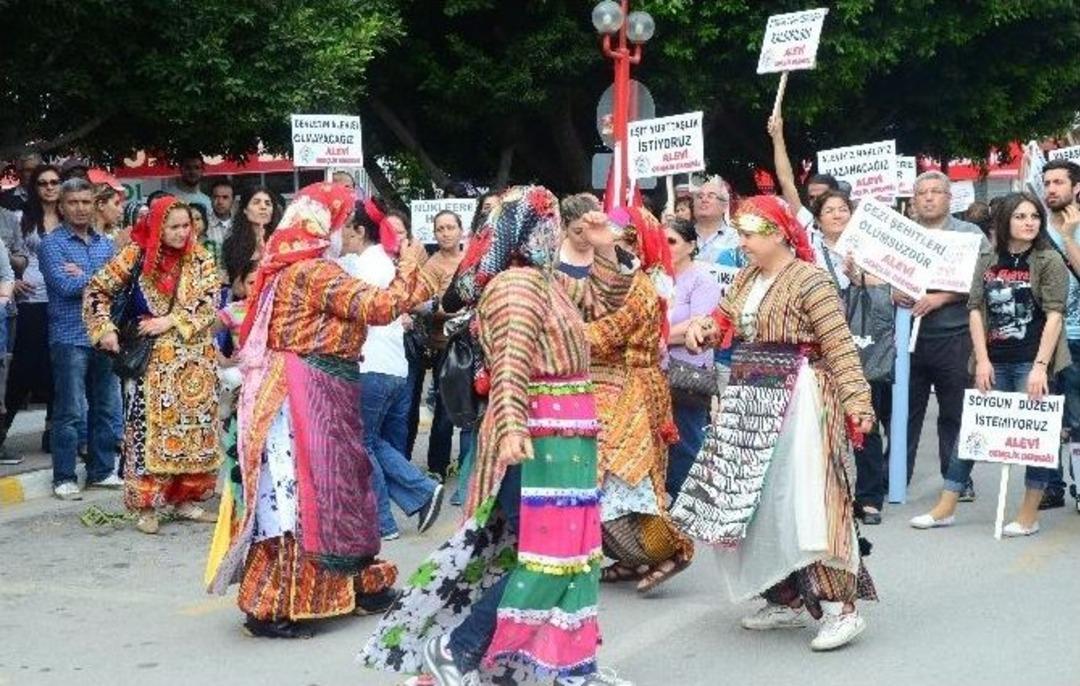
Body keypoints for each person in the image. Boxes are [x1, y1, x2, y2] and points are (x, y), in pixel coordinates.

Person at [363, 186, 634, 686]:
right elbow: (510, 365)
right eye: (550, 224)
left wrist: (605, 246)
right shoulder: (516, 287)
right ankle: (458, 649)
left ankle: (571, 667)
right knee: (550, 559)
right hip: (538, 437)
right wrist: (511, 429)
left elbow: (606, 299)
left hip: (566, 437)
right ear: (528, 233)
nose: (557, 232)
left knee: (575, 556)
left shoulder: (545, 281)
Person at [207, 182, 437, 640]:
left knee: (343, 490)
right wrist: (413, 264)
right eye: (341, 222)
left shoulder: (295, 267)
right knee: (304, 500)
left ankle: (358, 586)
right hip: (302, 396)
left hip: (320, 390)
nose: (345, 231)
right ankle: (274, 608)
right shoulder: (312, 272)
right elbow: (382, 306)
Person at [674, 195, 876, 652]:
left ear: (779, 235)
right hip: (750, 398)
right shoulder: (747, 276)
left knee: (807, 502)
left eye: (749, 235)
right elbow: (724, 321)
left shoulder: (811, 280)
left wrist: (857, 402)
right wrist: (704, 329)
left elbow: (839, 346)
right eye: (741, 235)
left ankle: (840, 610)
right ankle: (784, 598)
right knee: (757, 502)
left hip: (800, 397)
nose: (742, 243)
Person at [911, 192, 1069, 535]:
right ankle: (946, 507)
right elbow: (975, 309)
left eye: (1034, 217)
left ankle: (1028, 514)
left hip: (1031, 361)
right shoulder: (987, 258)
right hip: (994, 361)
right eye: (1020, 216)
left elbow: (1055, 315)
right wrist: (982, 360)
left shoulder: (1048, 259)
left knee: (1035, 439)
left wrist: (1040, 366)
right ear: (1004, 220)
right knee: (972, 432)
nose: (1029, 223)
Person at [84, 196, 221, 533]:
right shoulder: (135, 254)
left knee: (194, 432)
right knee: (147, 431)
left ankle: (185, 500)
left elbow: (209, 302)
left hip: (196, 363)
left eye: (186, 226)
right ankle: (146, 506)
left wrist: (170, 320)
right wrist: (104, 328)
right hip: (151, 362)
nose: (182, 233)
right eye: (173, 227)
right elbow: (97, 289)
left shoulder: (201, 257)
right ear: (158, 227)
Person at [588, 207, 694, 595]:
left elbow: (604, 335)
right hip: (606, 390)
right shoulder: (610, 282)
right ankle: (632, 557)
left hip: (631, 391)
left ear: (631, 245)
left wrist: (552, 331)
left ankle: (671, 550)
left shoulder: (639, 287)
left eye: (610, 242)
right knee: (602, 477)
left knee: (628, 476)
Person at [337, 198, 444, 541]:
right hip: (391, 368)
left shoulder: (367, 265)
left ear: (358, 231)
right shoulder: (379, 261)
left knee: (361, 444)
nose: (339, 234)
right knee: (371, 441)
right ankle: (422, 492)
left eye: (344, 228)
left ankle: (383, 521)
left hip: (371, 366)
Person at [895, 171, 989, 495]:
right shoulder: (901, 233)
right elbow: (879, 275)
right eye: (922, 193)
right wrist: (893, 291)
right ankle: (895, 479)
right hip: (908, 339)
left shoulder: (969, 234)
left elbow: (985, 279)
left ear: (949, 198)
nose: (929, 197)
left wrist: (943, 297)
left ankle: (956, 480)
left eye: (936, 191)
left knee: (954, 413)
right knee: (904, 412)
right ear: (914, 200)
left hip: (955, 337)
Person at [37, 178, 123, 500]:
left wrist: (86, 277)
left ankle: (101, 472)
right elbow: (65, 286)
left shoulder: (104, 244)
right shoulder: (51, 244)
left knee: (105, 408)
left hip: (103, 335)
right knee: (70, 411)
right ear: (61, 207)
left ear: (94, 205)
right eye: (73, 202)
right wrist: (100, 280)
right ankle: (64, 477)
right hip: (69, 337)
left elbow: (118, 287)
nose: (80, 208)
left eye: (86, 202)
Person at [812, 190, 893, 524]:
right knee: (824, 424)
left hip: (864, 344)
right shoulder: (809, 253)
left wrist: (860, 276)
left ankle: (870, 497)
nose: (837, 215)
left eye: (843, 209)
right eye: (829, 210)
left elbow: (887, 296)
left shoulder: (871, 249)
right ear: (818, 219)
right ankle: (830, 495)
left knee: (865, 420)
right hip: (821, 344)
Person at [1, 165, 62, 458]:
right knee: (22, 368)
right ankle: (2, 431)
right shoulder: (21, 218)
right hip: (29, 300)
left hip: (62, 300)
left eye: (54, 182)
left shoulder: (71, 217)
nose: (49, 187)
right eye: (43, 183)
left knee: (57, 367)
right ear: (34, 188)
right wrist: (13, 281)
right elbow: (11, 256)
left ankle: (52, 431)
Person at [664, 218, 721, 498]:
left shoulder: (702, 280)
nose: (665, 247)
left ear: (691, 245)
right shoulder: (656, 277)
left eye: (672, 241)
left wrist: (655, 338)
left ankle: (688, 501)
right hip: (654, 369)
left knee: (686, 440)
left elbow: (699, 327)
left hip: (687, 373)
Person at [424, 211, 469, 482]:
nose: (445, 233)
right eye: (440, 229)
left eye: (450, 227)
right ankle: (437, 466)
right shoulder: (432, 266)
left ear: (461, 230)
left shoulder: (469, 260)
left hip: (472, 342)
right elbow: (430, 307)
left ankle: (468, 467)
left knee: (470, 409)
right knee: (444, 410)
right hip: (444, 346)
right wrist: (457, 314)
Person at [767, 114, 839, 233]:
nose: (816, 201)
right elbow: (786, 181)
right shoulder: (808, 223)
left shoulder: (854, 226)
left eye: (822, 196)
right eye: (812, 197)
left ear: (836, 195)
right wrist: (777, 137)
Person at [221, 187, 279, 280]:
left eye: (268, 204)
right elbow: (236, 284)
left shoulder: (281, 240)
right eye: (256, 202)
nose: (263, 207)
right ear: (245, 210)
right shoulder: (231, 244)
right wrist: (257, 255)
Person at [692, 176, 736, 264]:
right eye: (700, 197)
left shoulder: (735, 238)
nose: (704, 200)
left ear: (724, 206)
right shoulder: (682, 237)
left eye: (710, 196)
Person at [557, 193, 600, 278]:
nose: (585, 237)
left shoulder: (605, 250)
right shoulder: (553, 256)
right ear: (564, 225)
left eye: (591, 230)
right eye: (578, 232)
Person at [206, 179, 234, 256]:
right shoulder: (204, 224)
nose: (220, 202)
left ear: (233, 200)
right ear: (210, 199)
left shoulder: (240, 224)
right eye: (216, 197)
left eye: (225, 197)